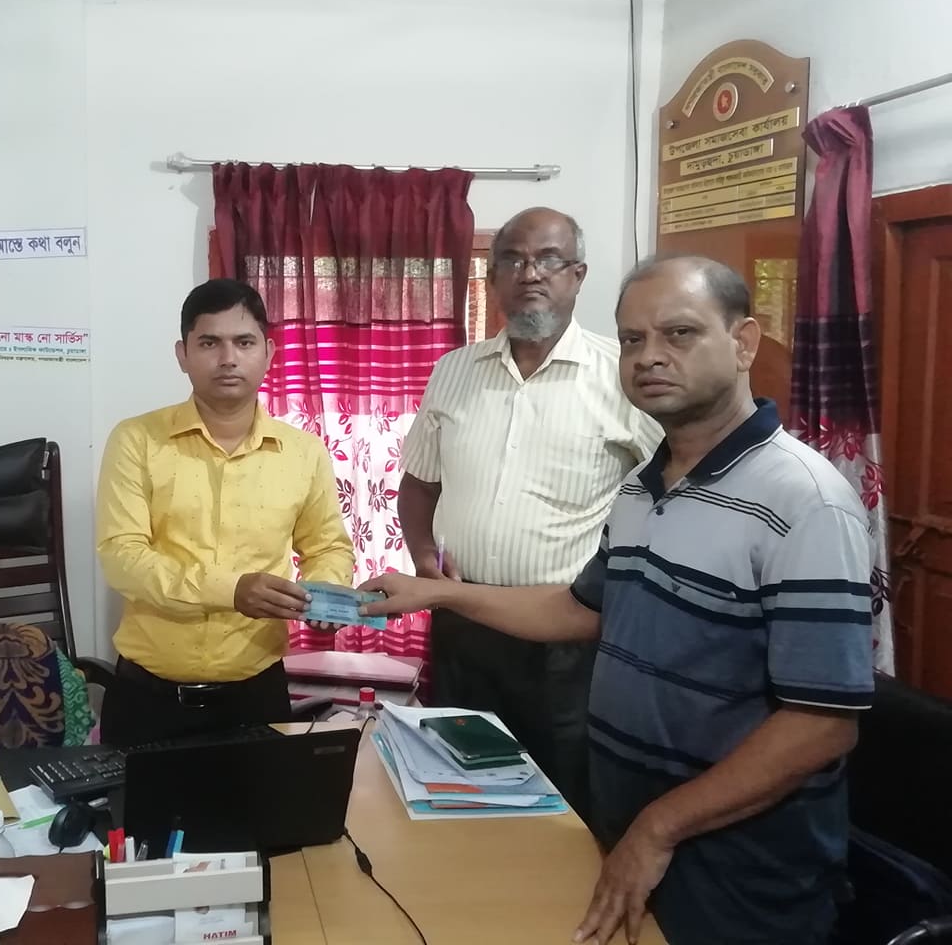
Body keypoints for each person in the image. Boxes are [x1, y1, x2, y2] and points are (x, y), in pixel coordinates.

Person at [364, 255, 874, 945]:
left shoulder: (804, 502)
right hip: (628, 827)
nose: (649, 356)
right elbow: (583, 611)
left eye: (679, 333)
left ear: (744, 342)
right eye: (633, 339)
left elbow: (823, 724)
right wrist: (436, 592)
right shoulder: (640, 489)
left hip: (740, 863)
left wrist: (659, 828)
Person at [399, 207, 659, 817]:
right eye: (512, 260)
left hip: (566, 636)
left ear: (578, 275)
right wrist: (423, 558)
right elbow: (418, 485)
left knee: (563, 800)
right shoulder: (454, 371)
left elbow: (673, 497)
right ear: (492, 278)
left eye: (548, 259)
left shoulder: (621, 378)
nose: (530, 273)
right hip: (463, 623)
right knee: (458, 789)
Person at [95, 279, 354, 747]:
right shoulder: (136, 440)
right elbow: (123, 557)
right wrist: (231, 591)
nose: (228, 358)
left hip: (257, 696)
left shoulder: (304, 452)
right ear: (183, 354)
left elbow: (328, 546)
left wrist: (324, 594)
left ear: (269, 353)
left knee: (268, 800)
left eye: (245, 342)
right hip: (147, 700)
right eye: (209, 343)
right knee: (137, 803)